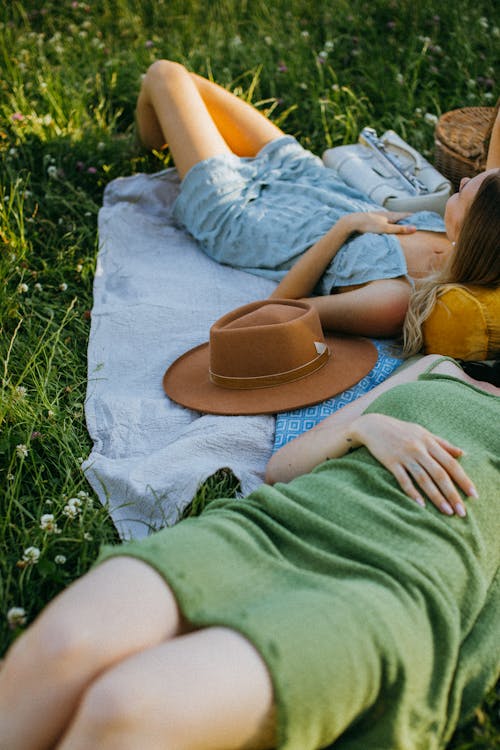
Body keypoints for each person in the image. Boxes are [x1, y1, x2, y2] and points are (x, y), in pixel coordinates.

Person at [1, 354, 499, 750]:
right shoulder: (440, 368)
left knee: (129, 708)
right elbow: (283, 465)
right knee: (62, 648)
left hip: (386, 586)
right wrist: (364, 428)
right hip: (274, 525)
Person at [134, 60, 500, 340]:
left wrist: (345, 228)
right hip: (305, 178)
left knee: (164, 74)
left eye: (467, 190)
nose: (464, 178)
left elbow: (269, 314)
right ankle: (161, 138)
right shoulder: (466, 240)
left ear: (474, 227)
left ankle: (147, 144)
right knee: (178, 78)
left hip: (245, 215)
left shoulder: (395, 299)